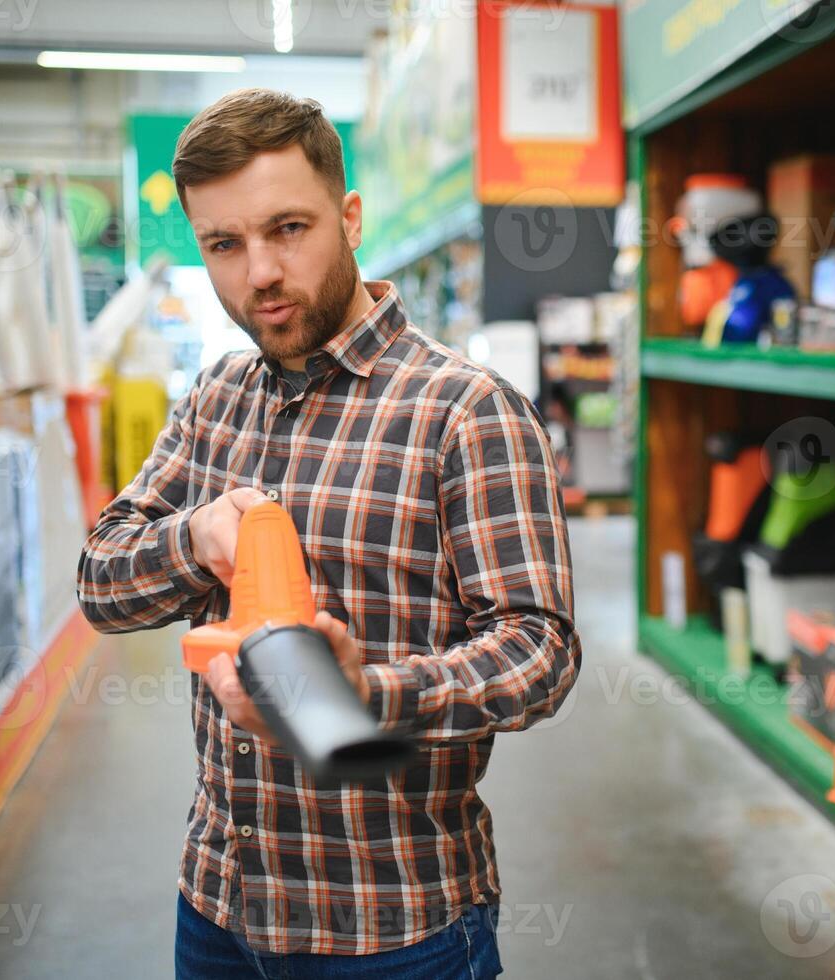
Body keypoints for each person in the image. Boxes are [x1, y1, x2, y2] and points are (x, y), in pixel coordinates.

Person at [76, 88, 581, 980]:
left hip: (392, 925)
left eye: (288, 229)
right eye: (223, 245)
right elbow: (101, 583)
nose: (259, 272)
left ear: (348, 218)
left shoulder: (464, 412)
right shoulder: (216, 398)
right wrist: (193, 539)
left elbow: (539, 654)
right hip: (218, 904)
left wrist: (369, 693)